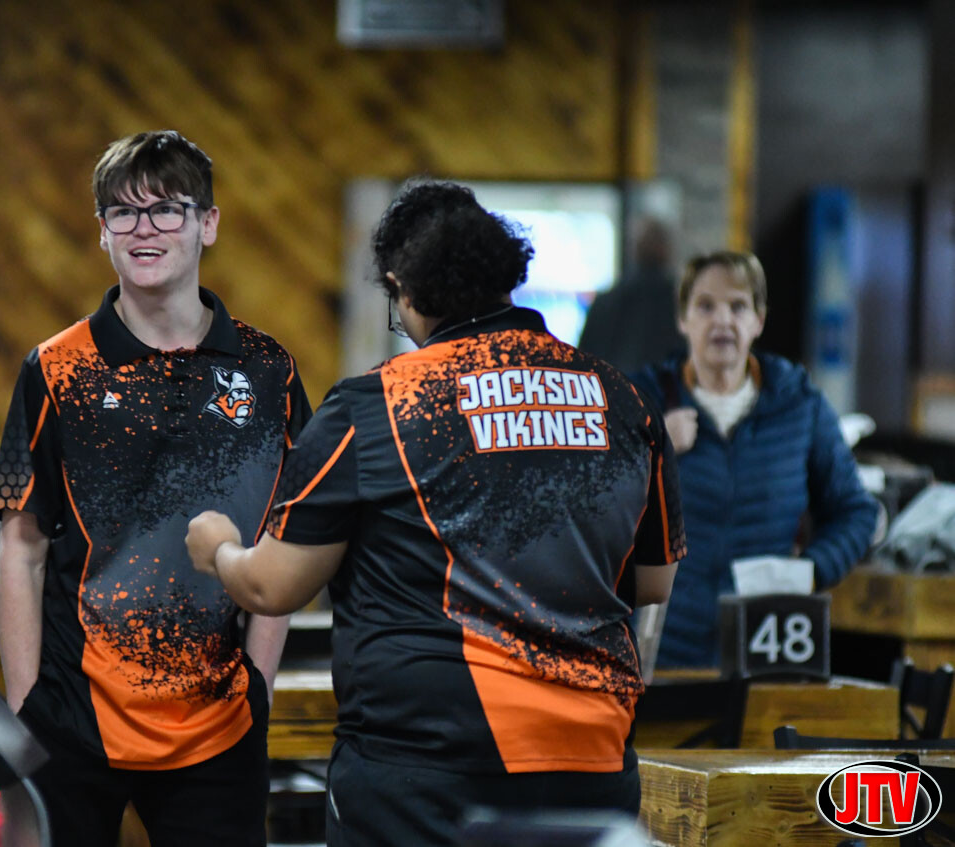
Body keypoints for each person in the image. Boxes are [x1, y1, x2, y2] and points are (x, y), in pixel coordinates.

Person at [186, 180, 685, 847]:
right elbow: (654, 580)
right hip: (592, 759)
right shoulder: (621, 398)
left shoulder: (376, 405)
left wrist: (219, 547)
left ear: (404, 289)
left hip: (427, 772)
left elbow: (272, 586)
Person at [0, 130, 310, 846]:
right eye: (123, 213)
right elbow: (21, 545)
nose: (144, 228)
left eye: (167, 209)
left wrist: (258, 685)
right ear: (102, 232)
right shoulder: (53, 368)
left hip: (220, 723)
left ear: (207, 224)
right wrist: (27, 703)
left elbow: (286, 537)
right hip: (72, 718)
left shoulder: (270, 371)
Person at [630, 250, 877, 668]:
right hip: (665, 653)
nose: (722, 320)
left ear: (759, 320)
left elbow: (856, 511)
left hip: (766, 649)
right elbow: (592, 506)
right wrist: (653, 448)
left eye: (738, 306)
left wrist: (811, 571)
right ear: (683, 319)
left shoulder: (799, 404)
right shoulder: (642, 400)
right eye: (706, 306)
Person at [576, 216, 684, 373]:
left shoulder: (605, 303)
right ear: (667, 250)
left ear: (633, 249)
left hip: (612, 386)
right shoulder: (681, 306)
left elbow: (582, 362)